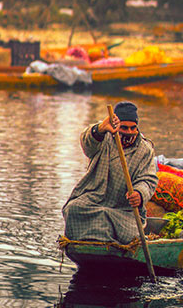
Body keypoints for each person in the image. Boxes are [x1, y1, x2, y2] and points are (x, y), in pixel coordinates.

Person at [62, 101, 158, 244]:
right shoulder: (104, 137)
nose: (129, 132)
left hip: (123, 210)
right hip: (93, 199)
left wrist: (139, 193)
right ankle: (92, 242)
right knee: (73, 209)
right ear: (117, 126)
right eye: (124, 128)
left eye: (133, 128)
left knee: (128, 230)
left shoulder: (145, 149)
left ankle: (103, 242)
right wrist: (100, 129)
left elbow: (148, 180)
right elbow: (87, 143)